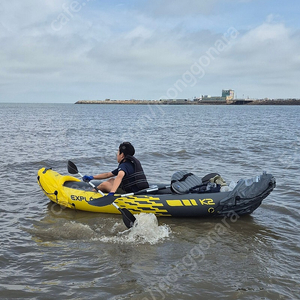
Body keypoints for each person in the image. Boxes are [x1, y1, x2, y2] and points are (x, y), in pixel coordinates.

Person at [82, 142, 149, 195]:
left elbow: (120, 176)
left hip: (130, 194)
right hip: (138, 190)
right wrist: (92, 177)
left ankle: (89, 195)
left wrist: (112, 192)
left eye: (118, 152)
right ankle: (93, 192)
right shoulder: (131, 163)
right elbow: (108, 174)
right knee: (111, 180)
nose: (117, 155)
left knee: (104, 184)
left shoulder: (123, 166)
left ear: (122, 155)